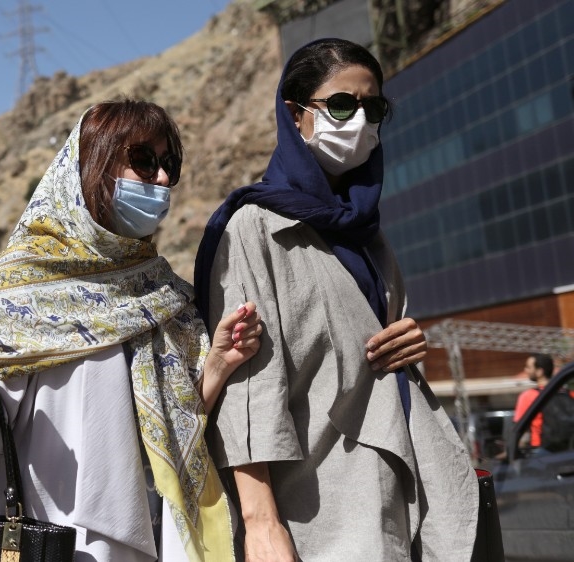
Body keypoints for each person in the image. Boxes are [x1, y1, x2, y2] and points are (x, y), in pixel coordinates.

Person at [0, 99, 264, 561]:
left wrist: (217, 364)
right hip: (48, 545)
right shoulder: (18, 295)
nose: (160, 179)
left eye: (168, 164)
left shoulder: (164, 295)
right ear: (91, 168)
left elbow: (167, 427)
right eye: (142, 161)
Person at [194, 38, 479, 560]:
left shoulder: (367, 235)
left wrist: (408, 340)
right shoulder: (255, 230)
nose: (360, 120)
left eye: (374, 108)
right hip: (315, 516)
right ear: (295, 114)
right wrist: (261, 523)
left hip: (399, 495)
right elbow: (248, 389)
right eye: (342, 105)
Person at [513, 353, 555, 448]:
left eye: (528, 367)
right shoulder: (567, 393)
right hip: (567, 448)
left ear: (539, 371)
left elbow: (519, 429)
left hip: (540, 448)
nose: (525, 370)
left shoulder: (528, 396)